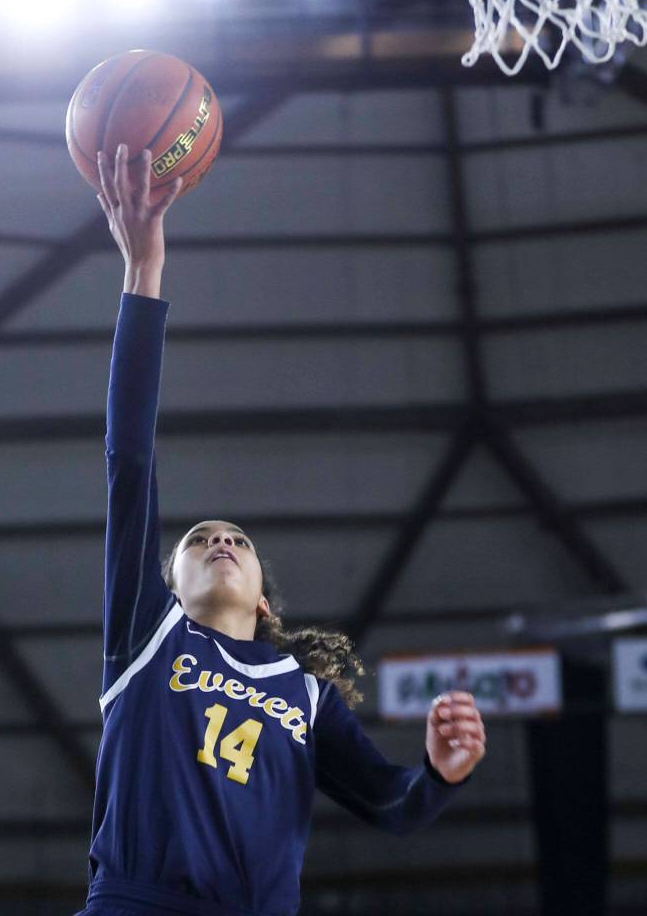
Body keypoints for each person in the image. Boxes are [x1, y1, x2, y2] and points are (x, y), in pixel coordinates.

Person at [74, 143, 486, 916]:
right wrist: (144, 271)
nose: (220, 541)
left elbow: (392, 806)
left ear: (265, 601)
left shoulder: (305, 694)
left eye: (236, 539)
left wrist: (441, 772)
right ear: (170, 584)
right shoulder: (147, 633)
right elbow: (129, 457)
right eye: (198, 540)